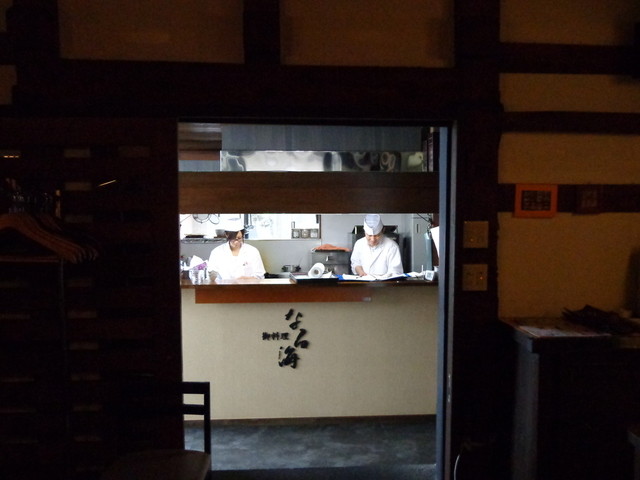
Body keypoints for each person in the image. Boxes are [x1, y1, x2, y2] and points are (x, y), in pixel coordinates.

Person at [208, 215, 266, 282]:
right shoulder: (216, 252)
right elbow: (212, 277)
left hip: (247, 287)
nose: (236, 242)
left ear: (243, 235)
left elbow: (260, 276)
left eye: (239, 238)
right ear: (226, 235)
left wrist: (245, 279)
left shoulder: (252, 251)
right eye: (233, 239)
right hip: (224, 288)